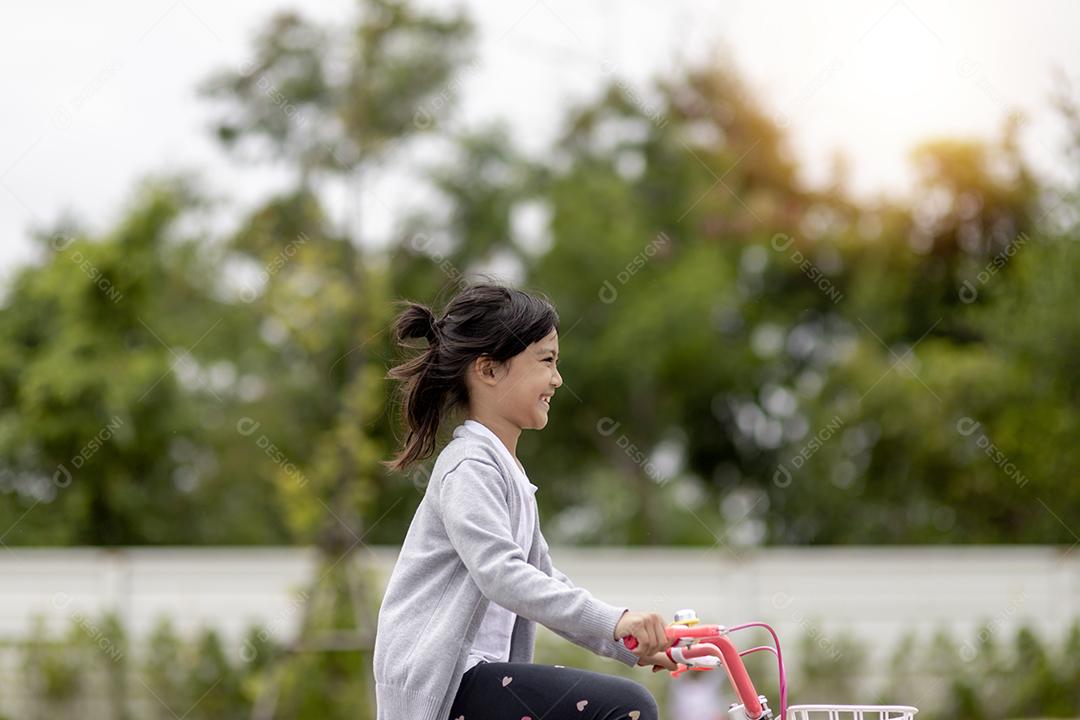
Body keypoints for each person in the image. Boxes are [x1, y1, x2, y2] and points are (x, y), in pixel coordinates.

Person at [372, 281, 675, 720]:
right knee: (629, 708)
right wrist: (615, 621)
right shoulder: (469, 464)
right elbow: (503, 575)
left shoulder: (506, 472)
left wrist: (626, 640)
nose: (557, 378)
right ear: (489, 370)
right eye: (546, 360)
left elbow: (544, 578)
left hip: (480, 680)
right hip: (448, 688)